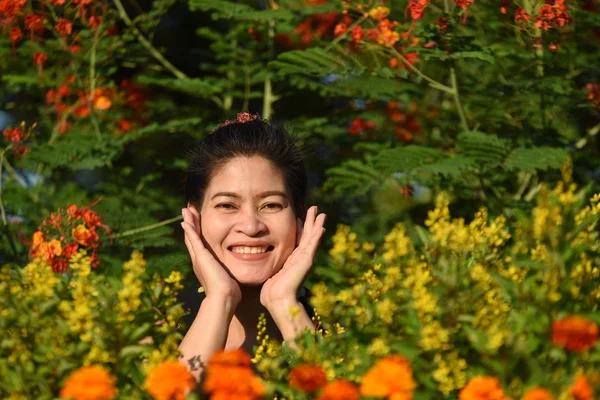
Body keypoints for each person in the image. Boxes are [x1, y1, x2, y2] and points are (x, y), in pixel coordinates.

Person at [178, 113, 326, 380]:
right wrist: (219, 300)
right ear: (194, 218)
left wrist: (284, 303)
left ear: (299, 216)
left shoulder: (346, 325)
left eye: (271, 205)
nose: (251, 226)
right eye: (227, 205)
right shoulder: (152, 326)